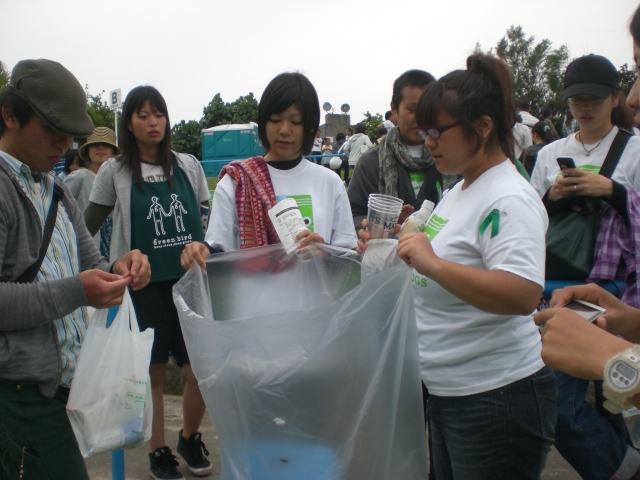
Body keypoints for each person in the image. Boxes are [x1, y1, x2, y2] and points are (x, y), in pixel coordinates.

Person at [359, 53, 556, 479]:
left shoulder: (508, 197)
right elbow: (436, 259)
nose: (427, 141)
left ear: (482, 127)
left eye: (437, 131)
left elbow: (522, 293)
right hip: (451, 391)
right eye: (423, 130)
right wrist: (391, 246)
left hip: (495, 395)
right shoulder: (463, 187)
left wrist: (431, 264)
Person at [0, 59, 150, 480]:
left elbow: (92, 265)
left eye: (70, 133)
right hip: (19, 395)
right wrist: (78, 291)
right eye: (52, 129)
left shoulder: (56, 187)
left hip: (63, 388)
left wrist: (121, 268)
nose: (64, 143)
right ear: (9, 115)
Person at [84, 86, 212, 480]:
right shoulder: (114, 171)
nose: (152, 122)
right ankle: (158, 449)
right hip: (145, 287)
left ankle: (188, 436)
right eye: (142, 115)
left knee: (202, 370)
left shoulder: (188, 164)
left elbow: (207, 218)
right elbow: (85, 228)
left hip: (192, 283)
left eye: (158, 114)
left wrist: (203, 246)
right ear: (129, 124)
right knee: (153, 373)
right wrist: (110, 264)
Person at [530, 52, 640, 480]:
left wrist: (612, 190)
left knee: (614, 393)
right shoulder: (550, 154)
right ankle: (624, 466)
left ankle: (622, 467)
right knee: (565, 401)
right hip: (558, 287)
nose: (585, 108)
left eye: (594, 98)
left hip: (619, 293)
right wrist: (553, 199)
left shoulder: (634, 149)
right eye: (577, 100)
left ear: (615, 98)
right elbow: (532, 221)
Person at [180, 72, 357, 266]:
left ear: (310, 126)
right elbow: (217, 249)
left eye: (296, 122)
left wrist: (326, 253)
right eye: (275, 119)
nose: (284, 130)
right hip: (251, 296)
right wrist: (199, 251)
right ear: (263, 122)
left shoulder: (330, 183)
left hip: (315, 296)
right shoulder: (236, 181)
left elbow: (348, 258)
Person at [347, 69, 444, 231]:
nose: (420, 117)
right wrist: (380, 225)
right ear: (394, 108)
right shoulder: (371, 162)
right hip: (388, 254)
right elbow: (352, 214)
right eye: (412, 110)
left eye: (427, 109)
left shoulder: (449, 159)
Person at [64, 126, 120, 259]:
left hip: (114, 244)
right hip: (87, 245)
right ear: (87, 152)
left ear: (113, 152)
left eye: (105, 145)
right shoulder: (78, 177)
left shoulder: (120, 180)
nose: (100, 148)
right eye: (95, 145)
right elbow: (61, 210)